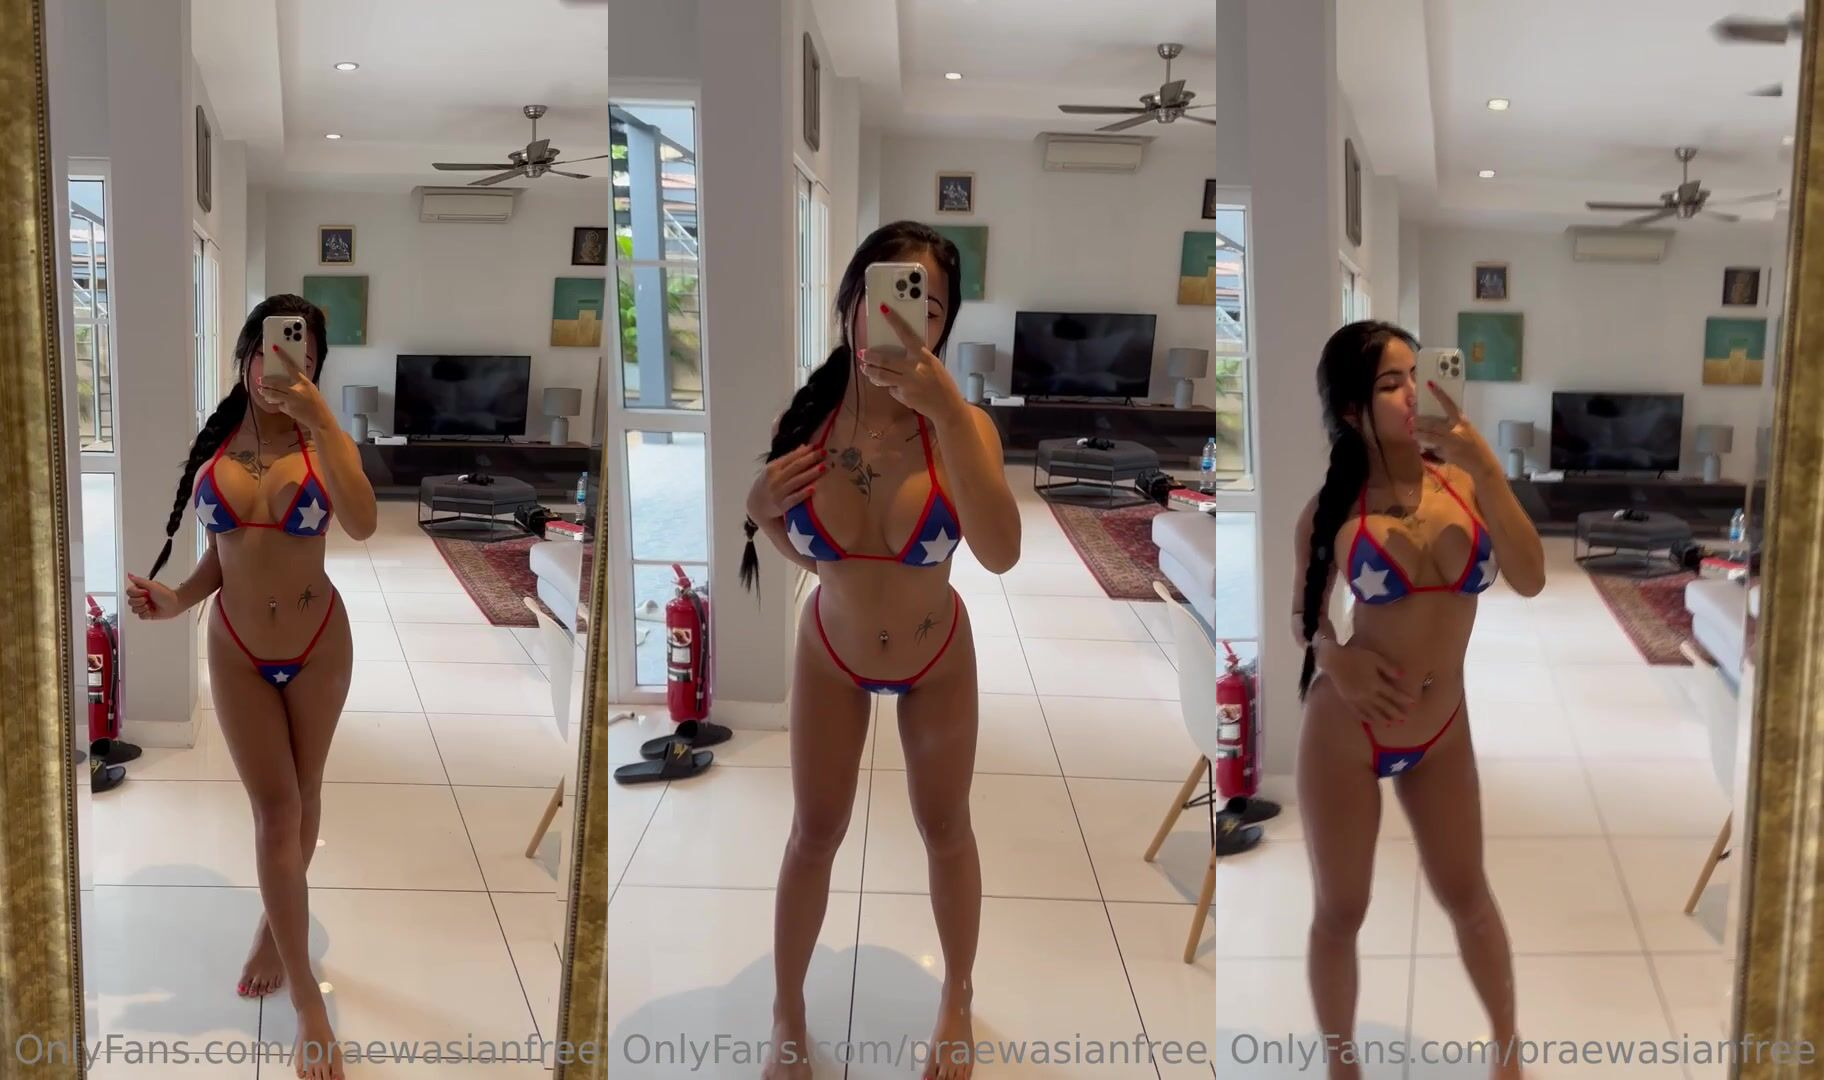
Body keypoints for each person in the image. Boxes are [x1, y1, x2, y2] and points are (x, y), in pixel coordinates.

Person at [742, 221, 1021, 1080]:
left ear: (943, 325)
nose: (907, 319)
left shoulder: (964, 428)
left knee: (946, 828)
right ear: (853, 303)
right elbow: (791, 538)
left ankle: (957, 997)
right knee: (813, 834)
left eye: (928, 307)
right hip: (831, 652)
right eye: (891, 295)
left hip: (938, 658)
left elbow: (1001, 552)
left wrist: (948, 416)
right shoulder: (807, 423)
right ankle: (787, 1010)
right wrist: (759, 505)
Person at [125, 295, 377, 1080]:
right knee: (275, 811)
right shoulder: (217, 444)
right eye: (270, 352)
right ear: (245, 357)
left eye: (302, 356)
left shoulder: (326, 440)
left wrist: (320, 421)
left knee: (306, 791)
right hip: (235, 650)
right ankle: (307, 1000)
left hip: (318, 643)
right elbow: (221, 555)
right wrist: (175, 600)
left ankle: (275, 928)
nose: (282, 368)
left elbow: (364, 523)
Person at [1291, 321, 1545, 1080]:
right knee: (1342, 910)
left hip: (1441, 731)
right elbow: (1304, 618)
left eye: (1415, 375)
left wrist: (1484, 463)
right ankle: (1342, 1065)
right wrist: (1335, 658)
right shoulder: (1330, 510)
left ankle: (1509, 1055)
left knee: (1468, 895)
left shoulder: (1466, 484)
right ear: (1350, 411)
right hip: (1347, 733)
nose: (1411, 393)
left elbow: (1532, 578)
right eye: (1389, 383)